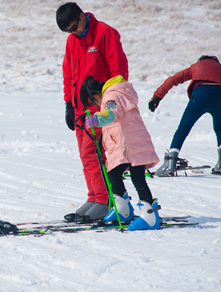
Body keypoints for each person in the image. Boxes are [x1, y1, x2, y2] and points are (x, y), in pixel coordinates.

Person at [56, 2, 129, 221]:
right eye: (68, 31)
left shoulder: (105, 33)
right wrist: (69, 104)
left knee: (95, 153)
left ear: (82, 16)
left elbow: (119, 71)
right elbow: (68, 73)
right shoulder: (72, 41)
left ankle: (104, 200)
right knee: (86, 155)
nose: (72, 33)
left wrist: (113, 103)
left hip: (99, 108)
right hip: (79, 108)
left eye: (73, 27)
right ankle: (94, 195)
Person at [81, 75, 161, 231]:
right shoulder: (119, 93)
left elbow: (112, 112)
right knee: (114, 173)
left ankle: (150, 216)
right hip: (130, 145)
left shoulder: (111, 96)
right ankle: (123, 210)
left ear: (97, 96)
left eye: (95, 104)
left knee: (136, 178)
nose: (98, 106)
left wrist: (98, 118)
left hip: (131, 146)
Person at [149, 55, 221, 177]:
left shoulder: (195, 67)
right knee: (220, 128)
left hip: (199, 96)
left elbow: (173, 80)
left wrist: (157, 97)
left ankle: (171, 163)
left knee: (183, 129)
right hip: (219, 97)